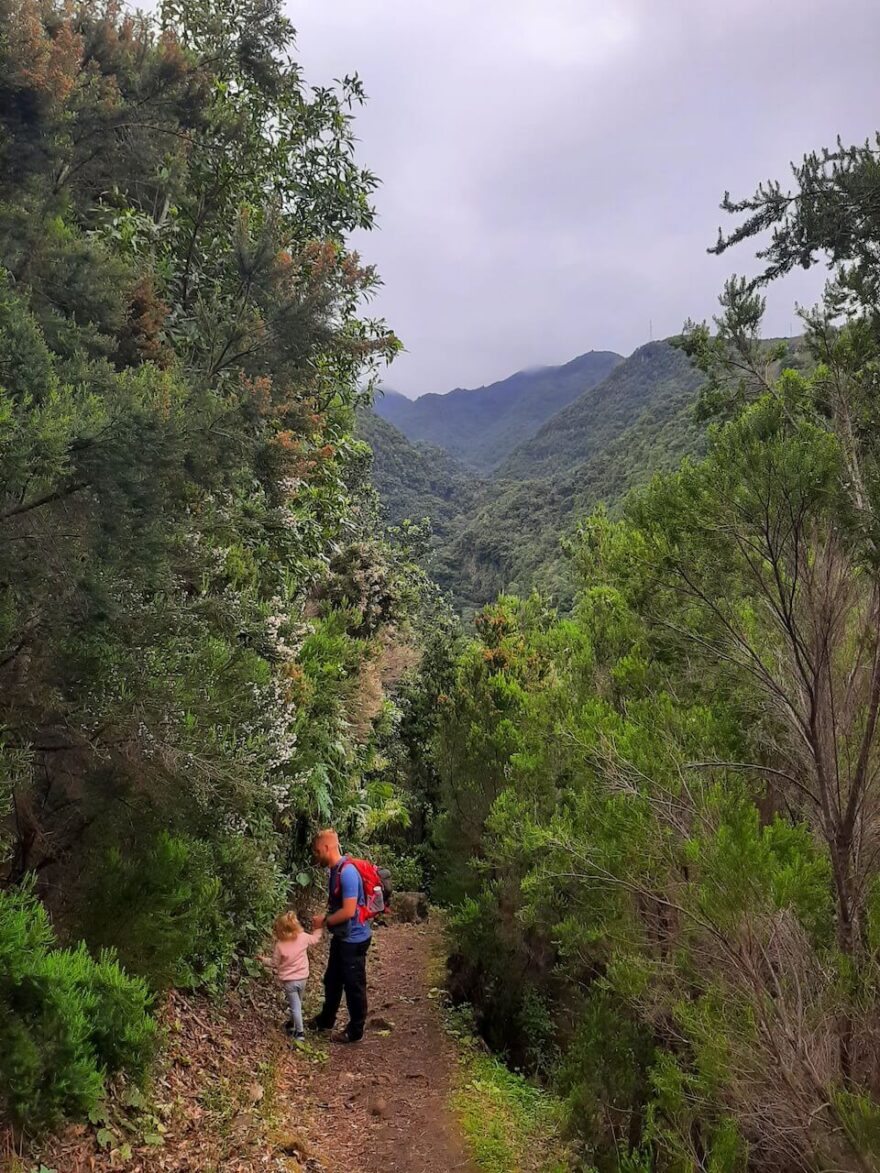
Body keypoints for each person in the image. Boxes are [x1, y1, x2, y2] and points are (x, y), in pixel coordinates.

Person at [309, 828, 372, 1044]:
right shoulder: (335, 870)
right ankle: (326, 1020)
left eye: (317, 851)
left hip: (354, 940)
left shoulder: (347, 873)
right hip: (342, 937)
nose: (315, 855)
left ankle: (356, 1030)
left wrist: (324, 921)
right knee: (332, 980)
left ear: (327, 848)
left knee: (353, 985)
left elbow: (349, 911)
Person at [259, 910, 324, 1043]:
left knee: (295, 1007)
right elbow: (315, 939)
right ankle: (292, 1024)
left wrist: (262, 959)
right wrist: (318, 927)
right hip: (303, 978)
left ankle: (299, 1033)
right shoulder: (303, 937)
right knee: (298, 1004)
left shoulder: (280, 945)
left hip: (289, 982)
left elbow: (274, 963)